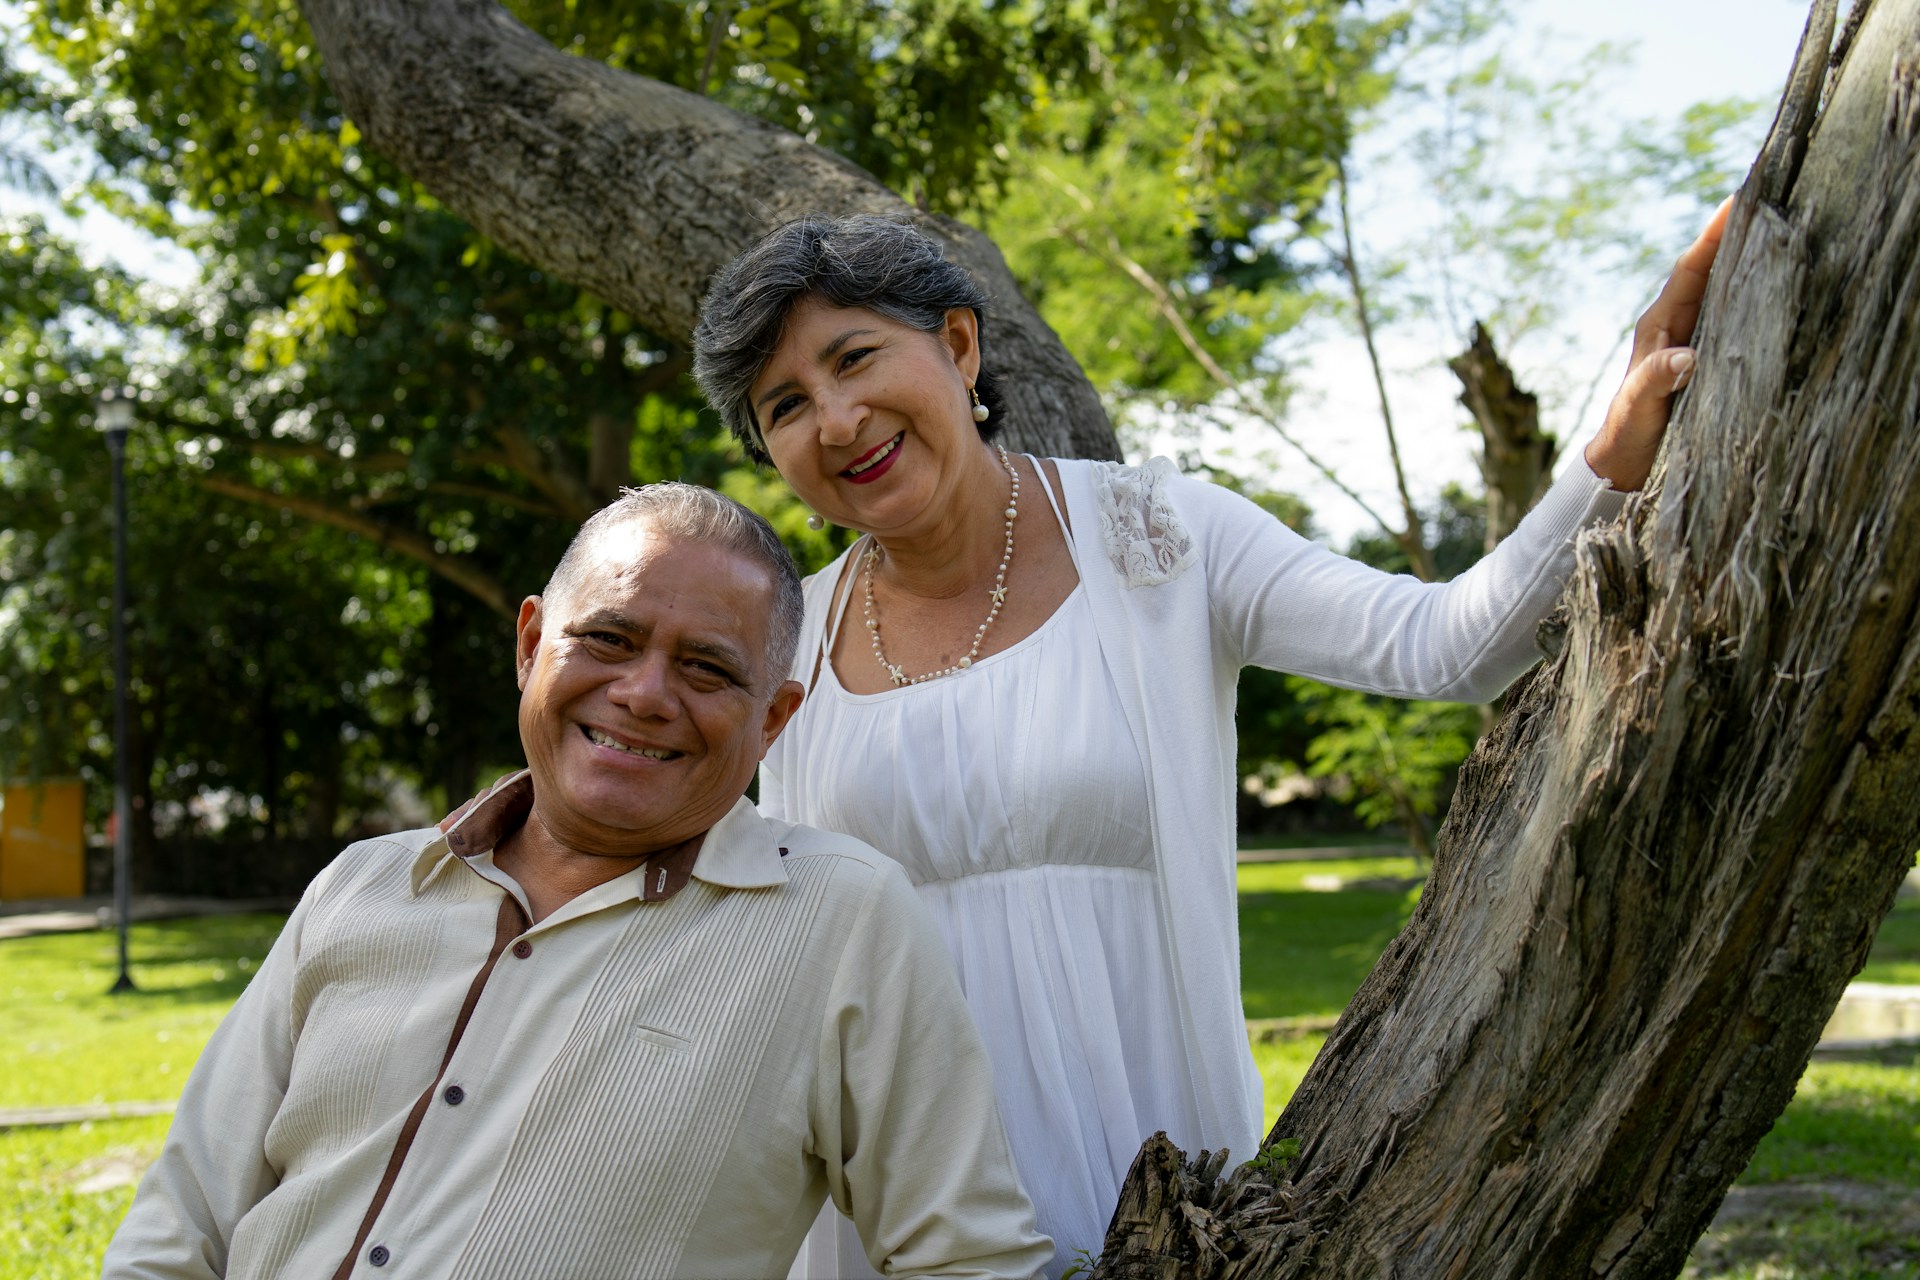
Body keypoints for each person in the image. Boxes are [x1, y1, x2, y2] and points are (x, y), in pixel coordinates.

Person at [691, 204, 1728, 1278]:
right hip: (893, 1211)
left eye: (855, 357)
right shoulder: (783, 640)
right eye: (786, 405)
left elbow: (1446, 647)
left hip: (1152, 1184)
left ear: (959, 344)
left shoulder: (1161, 537)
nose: (839, 417)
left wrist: (1612, 450)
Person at [102, 484, 1051, 1280]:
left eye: (708, 668)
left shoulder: (843, 920)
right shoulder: (363, 884)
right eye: (607, 639)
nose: (643, 693)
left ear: (774, 720)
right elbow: (184, 1213)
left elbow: (965, 1258)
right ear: (529, 647)